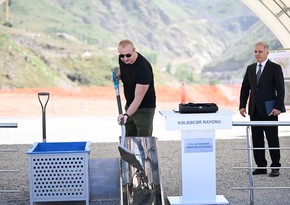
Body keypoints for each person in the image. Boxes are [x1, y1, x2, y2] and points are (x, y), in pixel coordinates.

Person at [239, 42, 285, 177]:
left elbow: (281, 89)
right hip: (254, 109)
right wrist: (242, 105)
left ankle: (275, 166)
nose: (257, 54)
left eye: (259, 52)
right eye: (255, 52)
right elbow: (245, 88)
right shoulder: (250, 68)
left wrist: (278, 107)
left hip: (270, 110)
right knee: (257, 139)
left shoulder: (275, 68)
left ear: (267, 53)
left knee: (272, 138)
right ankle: (261, 166)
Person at [116, 39, 156, 136]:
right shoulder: (122, 60)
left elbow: (138, 98)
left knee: (144, 141)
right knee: (129, 137)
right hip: (129, 105)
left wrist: (126, 115)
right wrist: (118, 76)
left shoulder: (143, 69)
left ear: (134, 50)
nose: (125, 58)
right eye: (122, 55)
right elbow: (122, 69)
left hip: (144, 108)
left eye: (128, 55)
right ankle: (130, 151)